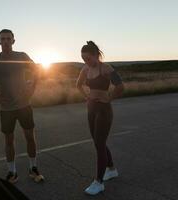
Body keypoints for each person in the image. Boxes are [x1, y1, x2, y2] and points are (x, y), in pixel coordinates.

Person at [0, 29, 44, 184]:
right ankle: (12, 172)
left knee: (29, 137)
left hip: (24, 105)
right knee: (8, 140)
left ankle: (33, 168)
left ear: (13, 41)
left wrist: (32, 88)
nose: (6, 41)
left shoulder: (22, 56)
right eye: (3, 39)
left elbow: (37, 71)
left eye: (8, 38)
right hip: (6, 109)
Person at [76, 41, 124, 195]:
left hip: (104, 110)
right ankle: (112, 169)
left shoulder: (106, 68)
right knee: (98, 143)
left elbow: (120, 87)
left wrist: (109, 98)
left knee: (100, 143)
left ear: (97, 55)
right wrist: (87, 97)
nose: (86, 62)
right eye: (84, 59)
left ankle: (99, 182)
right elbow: (78, 85)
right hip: (91, 109)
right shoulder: (85, 69)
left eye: (89, 58)